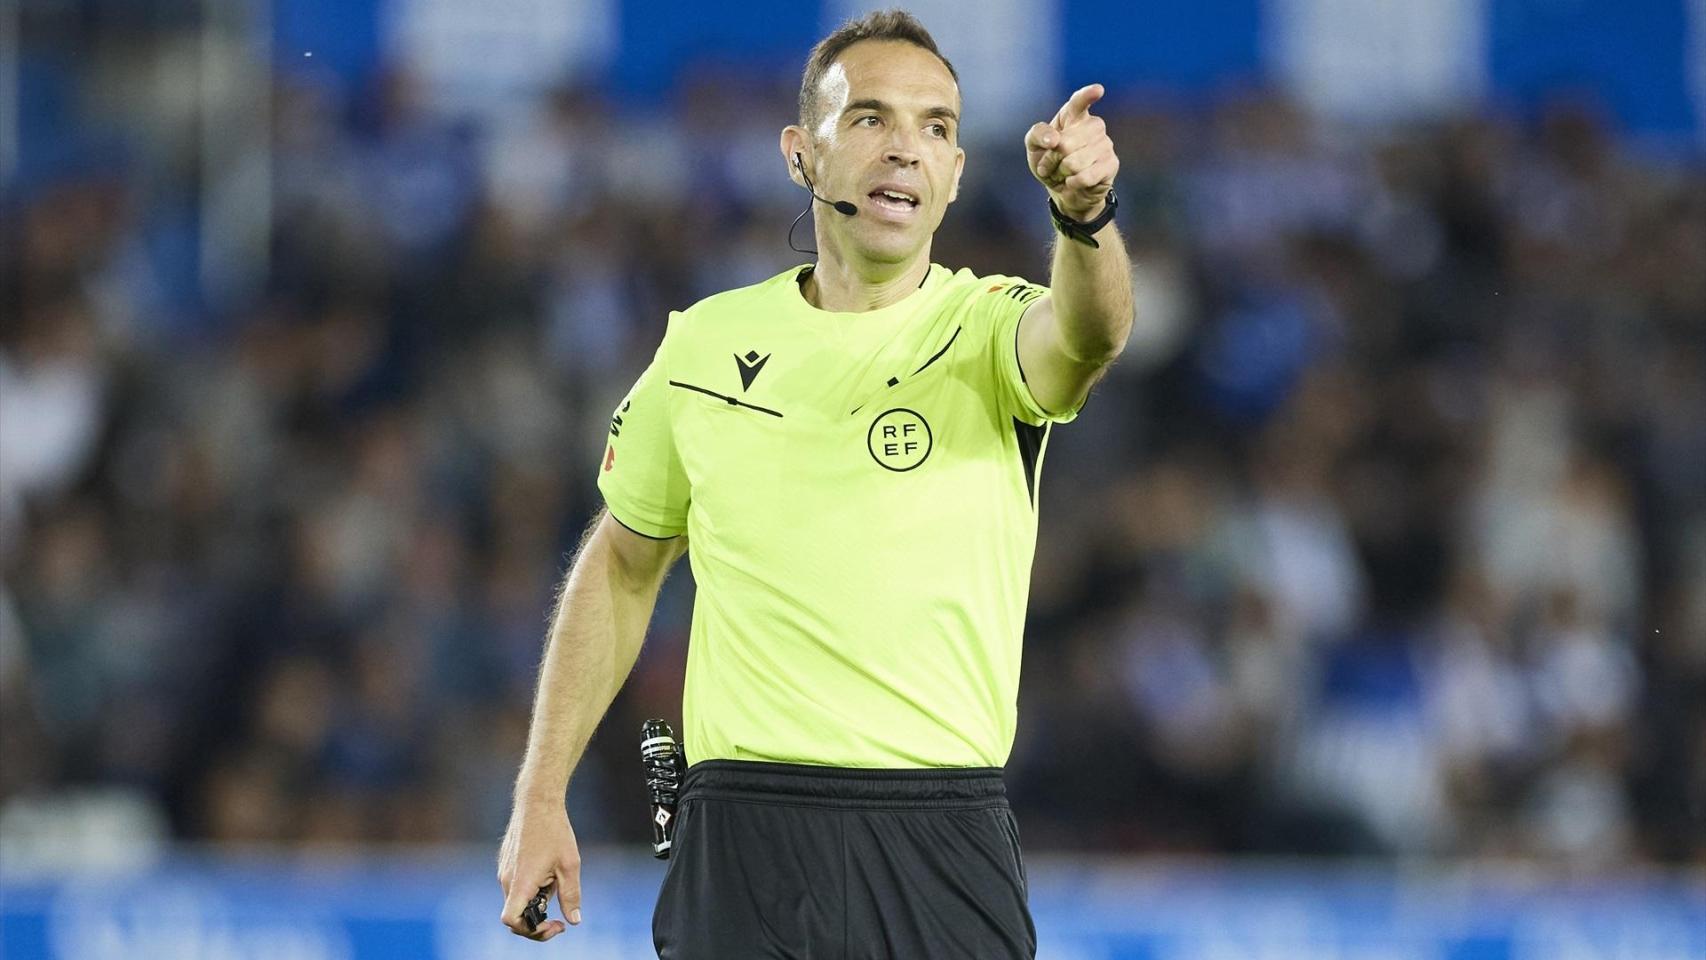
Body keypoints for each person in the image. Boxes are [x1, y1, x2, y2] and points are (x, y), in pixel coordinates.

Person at [497, 9, 1132, 957]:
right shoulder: (704, 345)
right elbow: (624, 565)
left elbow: (1091, 336)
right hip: (743, 836)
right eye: (870, 118)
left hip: (938, 835)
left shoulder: (991, 327)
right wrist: (540, 795)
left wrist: (1084, 219)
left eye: (937, 128)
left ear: (956, 174)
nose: (906, 150)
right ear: (802, 153)